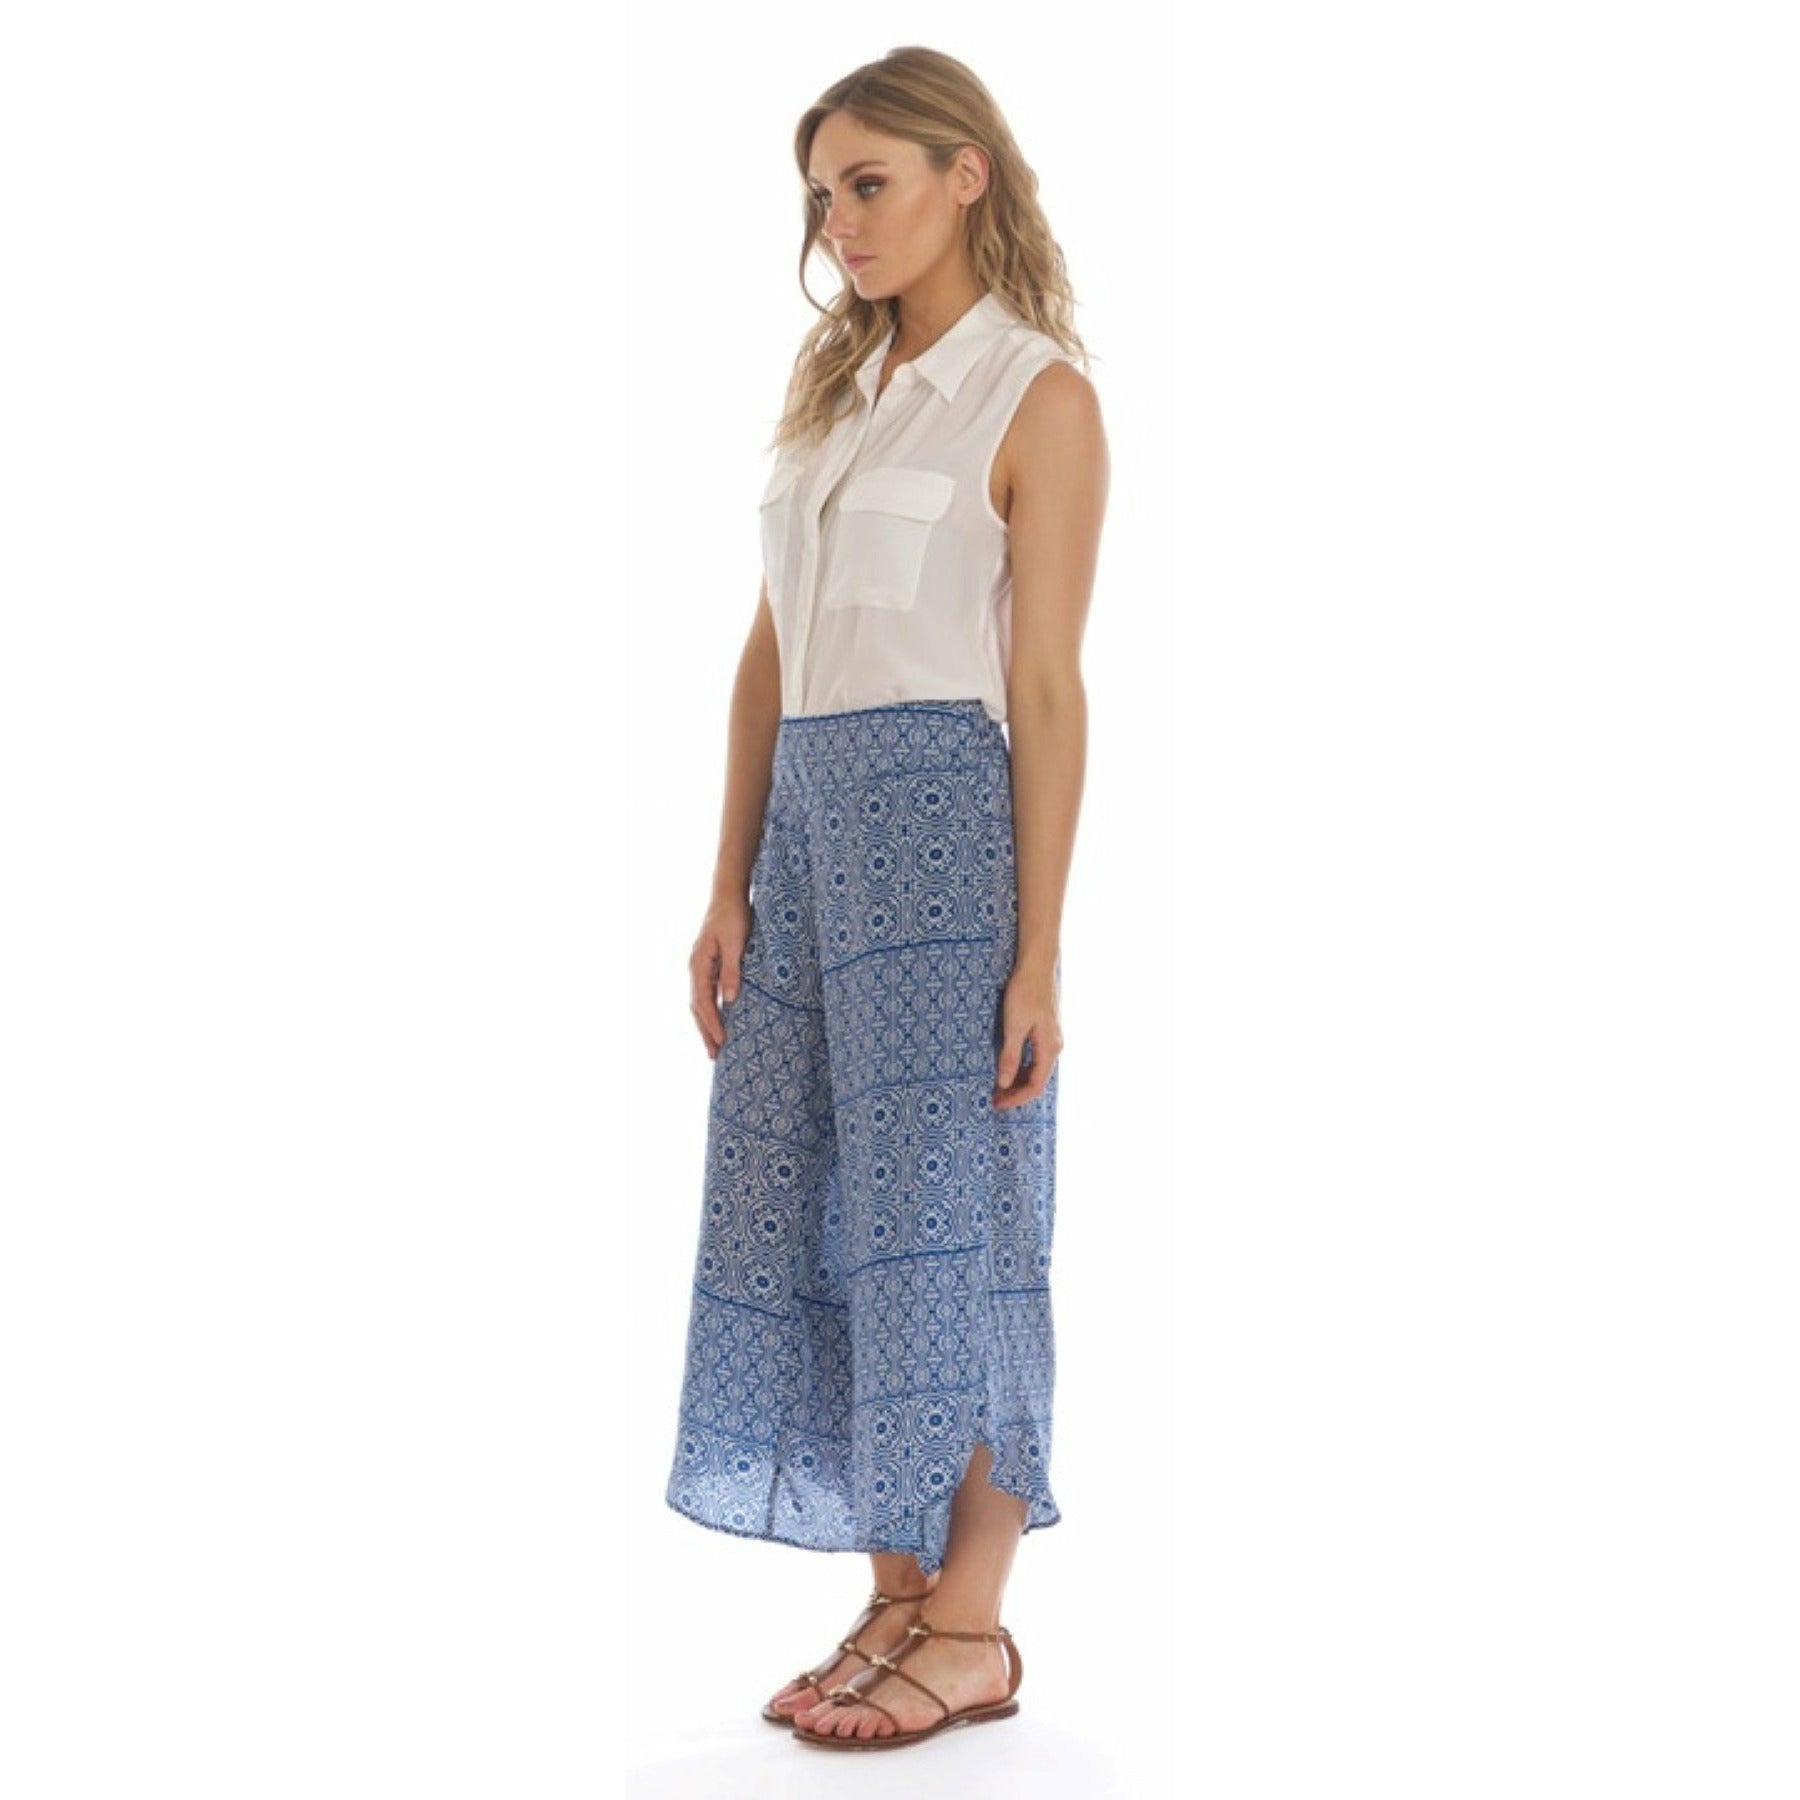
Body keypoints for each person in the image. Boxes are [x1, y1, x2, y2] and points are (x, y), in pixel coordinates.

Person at [664, 46, 1108, 1752]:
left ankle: (973, 1626)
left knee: (956, 1217)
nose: (839, 222)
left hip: (939, 832)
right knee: (815, 1208)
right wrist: (727, 879)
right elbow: (769, 651)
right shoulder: (838, 391)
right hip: (802, 842)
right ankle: (896, 1591)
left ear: (962, 175)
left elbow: (1046, 686)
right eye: (821, 195)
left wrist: (1040, 952)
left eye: (869, 183)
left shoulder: (1035, 397)